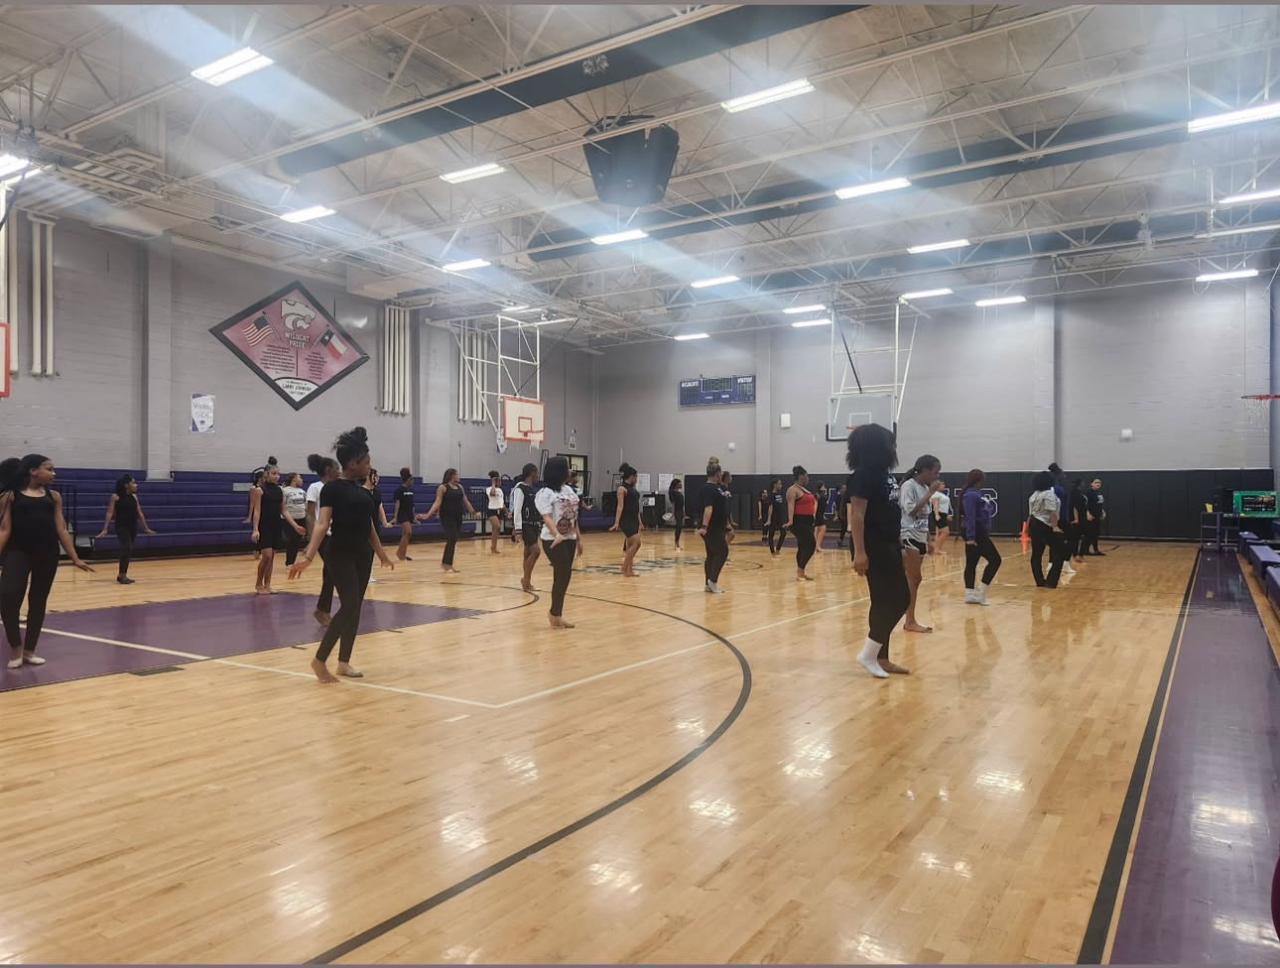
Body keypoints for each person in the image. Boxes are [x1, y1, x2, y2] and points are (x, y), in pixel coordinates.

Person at [289, 428, 393, 682]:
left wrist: (381, 553)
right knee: (349, 605)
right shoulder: (332, 489)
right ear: (353, 463)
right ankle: (319, 660)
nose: (369, 466)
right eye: (366, 462)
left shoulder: (364, 492)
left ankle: (343, 662)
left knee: (355, 608)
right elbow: (322, 524)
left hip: (363, 555)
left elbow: (369, 527)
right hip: (339, 553)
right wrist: (308, 556)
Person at [0, 454, 93, 669]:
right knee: (7, 597)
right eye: (49, 469)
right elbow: (4, 529)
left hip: (47, 554)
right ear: (33, 471)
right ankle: (16, 648)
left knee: (38, 601)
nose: (54, 473)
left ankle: (29, 651)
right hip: (19, 552)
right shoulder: (10, 496)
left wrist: (75, 557)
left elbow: (61, 529)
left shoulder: (54, 496)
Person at [846, 424, 910, 679]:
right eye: (890, 444)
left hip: (889, 543)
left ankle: (881, 658)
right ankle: (868, 654)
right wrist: (860, 552)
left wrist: (899, 543)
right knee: (898, 599)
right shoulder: (862, 476)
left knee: (885, 600)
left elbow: (890, 512)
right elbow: (857, 516)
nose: (894, 448)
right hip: (873, 546)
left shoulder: (885, 475)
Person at [535, 455, 581, 629]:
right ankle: (554, 614)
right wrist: (556, 534)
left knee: (564, 576)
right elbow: (546, 517)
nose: (569, 470)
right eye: (566, 467)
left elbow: (574, 516)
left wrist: (579, 538)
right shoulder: (545, 493)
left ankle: (556, 614)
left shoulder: (568, 490)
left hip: (570, 537)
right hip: (552, 539)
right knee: (562, 573)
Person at [899, 455, 944, 632]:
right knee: (914, 578)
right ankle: (909, 620)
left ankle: (908, 617)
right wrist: (930, 493)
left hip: (920, 536)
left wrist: (929, 540)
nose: (937, 476)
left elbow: (924, 519)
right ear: (924, 470)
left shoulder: (924, 487)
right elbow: (911, 511)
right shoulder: (908, 486)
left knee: (913, 579)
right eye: (935, 472)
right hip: (908, 534)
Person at [95, 474, 156, 584]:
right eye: (133, 483)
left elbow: (140, 513)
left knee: (128, 550)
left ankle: (122, 574)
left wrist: (146, 528)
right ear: (126, 485)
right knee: (126, 547)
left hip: (133, 526)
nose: (136, 485)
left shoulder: (134, 497)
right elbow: (109, 513)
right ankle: (122, 575)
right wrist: (105, 529)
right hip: (121, 526)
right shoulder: (115, 497)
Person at [253, 465, 303, 595]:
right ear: (267, 474)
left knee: (272, 557)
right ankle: (258, 583)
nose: (277, 476)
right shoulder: (259, 490)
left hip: (276, 525)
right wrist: (255, 529)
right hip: (264, 525)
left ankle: (268, 585)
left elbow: (284, 510)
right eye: (274, 473)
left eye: (278, 474)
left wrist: (295, 526)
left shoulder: (280, 490)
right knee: (267, 556)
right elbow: (257, 511)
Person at [306, 454, 340, 627]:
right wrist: (312, 538)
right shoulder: (315, 487)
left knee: (331, 572)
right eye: (336, 467)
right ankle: (323, 610)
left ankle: (323, 609)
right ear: (328, 470)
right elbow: (310, 514)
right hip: (322, 536)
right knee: (333, 570)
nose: (339, 470)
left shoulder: (336, 487)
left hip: (335, 534)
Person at [419, 468, 476, 573]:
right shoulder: (443, 487)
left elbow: (466, 501)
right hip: (446, 517)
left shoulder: (460, 487)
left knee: (454, 539)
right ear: (452, 476)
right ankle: (446, 564)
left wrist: (473, 511)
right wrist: (427, 515)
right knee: (451, 538)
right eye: (457, 474)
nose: (458, 476)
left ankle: (448, 563)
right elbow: (437, 502)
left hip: (458, 516)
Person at [961, 469, 1001, 604]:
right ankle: (980, 593)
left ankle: (970, 594)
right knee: (995, 560)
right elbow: (970, 516)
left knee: (972, 562)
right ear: (979, 480)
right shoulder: (970, 495)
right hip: (976, 533)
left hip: (980, 531)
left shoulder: (977, 493)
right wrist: (970, 537)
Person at [1028, 470, 1065, 589]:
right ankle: (1051, 581)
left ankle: (1039, 581)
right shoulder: (1049, 494)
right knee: (1060, 551)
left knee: (1036, 554)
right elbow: (1052, 511)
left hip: (1034, 523)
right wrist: (1055, 527)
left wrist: (1027, 529)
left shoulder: (1034, 494)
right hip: (1043, 524)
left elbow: (1031, 513)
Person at [697, 460, 729, 594]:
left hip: (718, 526)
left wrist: (727, 524)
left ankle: (708, 584)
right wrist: (704, 527)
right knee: (722, 552)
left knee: (711, 554)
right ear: (717, 474)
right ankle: (712, 581)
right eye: (720, 473)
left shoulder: (717, 488)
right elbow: (708, 508)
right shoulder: (708, 488)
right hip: (712, 527)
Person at [510, 463, 541, 593]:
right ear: (531, 473)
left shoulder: (532, 489)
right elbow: (517, 510)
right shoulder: (520, 488)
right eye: (537, 473)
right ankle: (525, 580)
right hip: (525, 525)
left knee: (528, 553)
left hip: (534, 525)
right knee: (536, 551)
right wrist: (518, 530)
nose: (538, 476)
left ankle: (527, 582)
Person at [786, 466, 818, 582]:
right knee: (811, 544)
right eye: (806, 476)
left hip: (808, 522)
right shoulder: (792, 490)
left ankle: (801, 573)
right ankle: (800, 571)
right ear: (801, 476)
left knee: (803, 546)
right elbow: (790, 505)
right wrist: (790, 520)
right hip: (798, 522)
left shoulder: (804, 490)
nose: (808, 478)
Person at [610, 462, 643, 577]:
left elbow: (636, 507)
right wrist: (617, 522)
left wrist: (640, 521)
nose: (637, 479)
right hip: (626, 519)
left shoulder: (633, 489)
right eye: (636, 477)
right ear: (632, 477)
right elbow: (620, 507)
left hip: (634, 519)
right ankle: (624, 567)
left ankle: (629, 571)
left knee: (630, 545)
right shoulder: (622, 489)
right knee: (637, 543)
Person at [1048, 462, 1076, 577]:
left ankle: (1051, 564)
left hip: (1057, 518)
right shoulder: (1058, 488)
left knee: (1055, 542)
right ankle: (1065, 563)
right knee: (1072, 539)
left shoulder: (1053, 487)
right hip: (1060, 518)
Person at [282, 473, 309, 567]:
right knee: (291, 540)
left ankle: (292, 561)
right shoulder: (285, 491)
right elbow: (283, 506)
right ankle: (289, 563)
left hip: (301, 518)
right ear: (294, 479)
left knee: (297, 541)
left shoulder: (302, 491)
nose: (302, 479)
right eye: (299, 477)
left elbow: (306, 505)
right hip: (290, 519)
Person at [392, 468, 416, 562]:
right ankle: (400, 554)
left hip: (409, 514)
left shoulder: (411, 490)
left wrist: (413, 517)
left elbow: (412, 504)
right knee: (408, 532)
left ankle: (402, 553)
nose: (413, 482)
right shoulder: (399, 490)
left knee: (406, 534)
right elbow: (397, 504)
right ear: (408, 480)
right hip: (402, 514)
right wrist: (395, 517)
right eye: (412, 480)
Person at [1068, 478, 1089, 563]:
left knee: (1086, 536)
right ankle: (1075, 555)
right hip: (1078, 519)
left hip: (1083, 517)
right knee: (1075, 538)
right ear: (1079, 484)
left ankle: (1080, 554)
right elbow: (1074, 507)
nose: (1084, 484)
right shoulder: (1075, 493)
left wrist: (1087, 514)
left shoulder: (1080, 493)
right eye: (1082, 483)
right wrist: (1076, 518)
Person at [484, 471, 505, 554]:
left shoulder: (500, 490)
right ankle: (493, 547)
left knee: (496, 529)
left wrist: (507, 511)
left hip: (499, 511)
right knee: (497, 526)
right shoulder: (489, 489)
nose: (499, 482)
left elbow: (501, 502)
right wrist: (493, 484)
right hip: (491, 510)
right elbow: (492, 494)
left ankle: (493, 547)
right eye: (497, 480)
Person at [1085, 478, 1107, 555]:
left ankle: (1096, 550)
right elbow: (1085, 504)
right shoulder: (1088, 493)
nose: (1098, 484)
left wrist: (1102, 511)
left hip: (1097, 516)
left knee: (1096, 534)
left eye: (1099, 482)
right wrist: (1088, 513)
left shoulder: (1099, 493)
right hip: (1091, 516)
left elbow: (1099, 504)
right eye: (1096, 482)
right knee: (1089, 533)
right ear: (1091, 484)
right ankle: (1085, 550)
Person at [766, 478, 788, 556]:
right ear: (775, 485)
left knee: (783, 533)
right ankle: (772, 552)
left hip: (780, 517)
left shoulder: (780, 494)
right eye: (779, 484)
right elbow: (770, 507)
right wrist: (769, 519)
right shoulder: (771, 495)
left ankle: (778, 549)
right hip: (773, 517)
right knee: (771, 535)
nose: (781, 485)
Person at [930, 482, 953, 552]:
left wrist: (946, 515)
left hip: (943, 514)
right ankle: (937, 549)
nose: (944, 486)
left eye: (944, 484)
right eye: (942, 484)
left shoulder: (941, 494)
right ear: (937, 486)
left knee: (939, 533)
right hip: (939, 514)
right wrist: (937, 514)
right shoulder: (936, 494)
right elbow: (935, 505)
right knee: (945, 532)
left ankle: (937, 549)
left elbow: (943, 506)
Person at [668, 478, 685, 549]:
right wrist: (673, 513)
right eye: (679, 484)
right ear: (676, 485)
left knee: (680, 527)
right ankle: (676, 543)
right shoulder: (673, 493)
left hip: (681, 511)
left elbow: (682, 504)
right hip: (677, 511)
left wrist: (684, 512)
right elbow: (673, 504)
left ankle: (677, 543)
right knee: (678, 527)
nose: (681, 485)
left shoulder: (678, 492)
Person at [721, 470, 738, 544]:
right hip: (721, 517)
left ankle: (722, 547)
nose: (731, 477)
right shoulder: (721, 488)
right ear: (726, 478)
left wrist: (731, 520)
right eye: (730, 476)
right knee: (731, 534)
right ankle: (722, 547)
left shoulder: (726, 489)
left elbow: (728, 507)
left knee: (730, 534)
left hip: (725, 517)